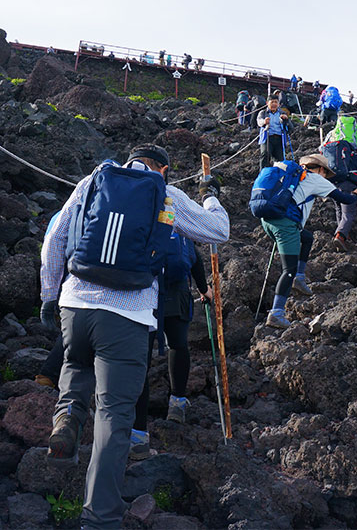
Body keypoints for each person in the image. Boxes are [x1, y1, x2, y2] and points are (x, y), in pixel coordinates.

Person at [40, 144, 229, 529]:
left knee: (76, 366)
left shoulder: (92, 180)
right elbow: (217, 232)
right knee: (114, 415)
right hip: (127, 316)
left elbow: (55, 237)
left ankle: (67, 419)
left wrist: (48, 295)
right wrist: (212, 197)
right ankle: (100, 518)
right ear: (162, 168)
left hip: (75, 306)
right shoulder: (165, 193)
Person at [131, 233, 211, 459]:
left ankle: (138, 435)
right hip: (177, 291)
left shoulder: (142, 211)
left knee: (141, 362)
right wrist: (204, 289)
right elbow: (195, 258)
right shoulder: (178, 212)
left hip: (144, 291)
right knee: (178, 344)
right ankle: (177, 403)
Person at [260, 154, 357, 328]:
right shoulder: (315, 179)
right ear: (321, 169)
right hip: (285, 224)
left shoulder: (291, 176)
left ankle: (299, 278)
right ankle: (276, 313)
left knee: (307, 237)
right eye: (325, 173)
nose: (325, 176)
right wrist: (355, 197)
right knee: (288, 270)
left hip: (267, 220)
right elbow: (342, 198)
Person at [318, 139, 357, 251]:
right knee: (348, 213)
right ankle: (340, 235)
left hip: (334, 186)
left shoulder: (341, 158)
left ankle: (344, 239)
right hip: (349, 187)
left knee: (339, 210)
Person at [257, 94, 291, 169]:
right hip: (267, 138)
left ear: (278, 104)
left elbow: (290, 127)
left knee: (280, 159)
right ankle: (263, 176)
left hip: (279, 139)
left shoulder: (282, 113)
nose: (274, 104)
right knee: (265, 155)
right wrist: (264, 122)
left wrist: (286, 120)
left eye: (276, 102)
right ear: (267, 103)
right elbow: (259, 121)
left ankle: (278, 177)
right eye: (272, 102)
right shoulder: (263, 112)